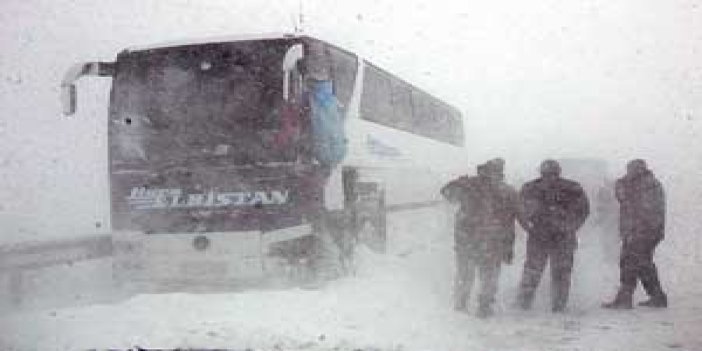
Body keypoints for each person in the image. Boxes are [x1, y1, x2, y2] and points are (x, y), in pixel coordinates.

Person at [441, 158, 520, 318]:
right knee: (486, 276)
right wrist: (507, 246)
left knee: (468, 274)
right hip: (488, 241)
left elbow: (448, 194)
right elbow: (510, 222)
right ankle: (480, 307)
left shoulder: (471, 185)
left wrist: (458, 184)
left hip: (471, 240)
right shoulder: (505, 191)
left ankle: (464, 305)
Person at [517, 159, 590, 312]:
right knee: (537, 271)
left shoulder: (570, 188)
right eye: (547, 174)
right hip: (544, 235)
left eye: (552, 174)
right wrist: (529, 228)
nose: (550, 178)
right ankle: (526, 303)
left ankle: (553, 305)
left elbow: (583, 211)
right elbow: (520, 211)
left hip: (556, 236)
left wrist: (571, 227)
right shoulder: (570, 187)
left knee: (553, 272)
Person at [602, 159, 667, 309]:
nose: (628, 173)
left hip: (641, 232)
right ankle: (657, 297)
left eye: (630, 170)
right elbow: (624, 199)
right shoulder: (647, 184)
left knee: (629, 263)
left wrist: (635, 231)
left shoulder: (645, 185)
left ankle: (625, 298)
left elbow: (630, 202)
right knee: (643, 264)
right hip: (644, 231)